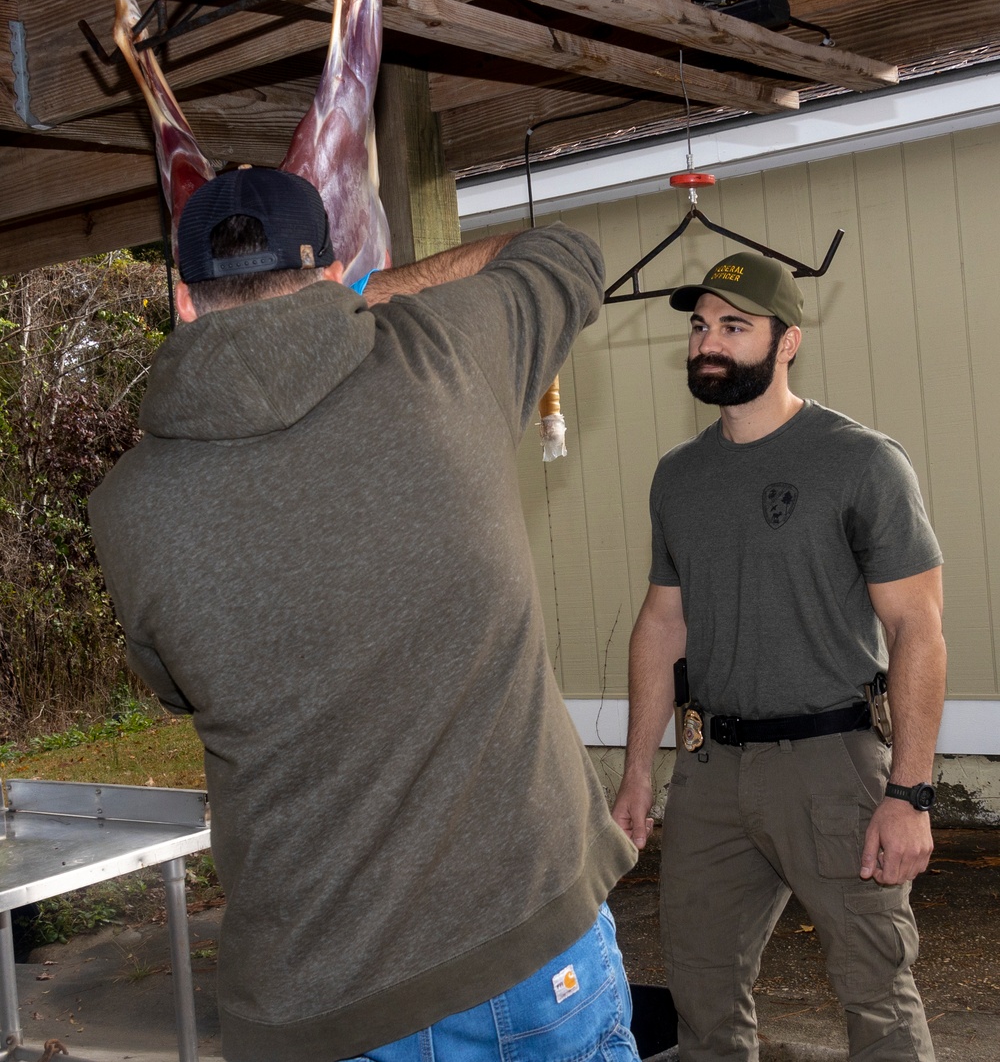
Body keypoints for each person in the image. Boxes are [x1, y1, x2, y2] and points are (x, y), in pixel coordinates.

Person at [89, 166, 640, 1062]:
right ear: (334, 269)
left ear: (185, 303)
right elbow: (566, 249)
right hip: (534, 948)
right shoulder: (448, 350)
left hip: (323, 1001)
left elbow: (177, 683)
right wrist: (362, 295)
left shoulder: (127, 509)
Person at [611, 251, 946, 1062]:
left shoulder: (860, 461)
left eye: (734, 326)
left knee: (876, 990)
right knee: (700, 991)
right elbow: (662, 624)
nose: (708, 343)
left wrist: (912, 791)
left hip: (834, 769)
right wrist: (635, 774)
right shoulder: (679, 477)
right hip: (713, 773)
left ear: (787, 341)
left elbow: (918, 629)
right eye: (698, 326)